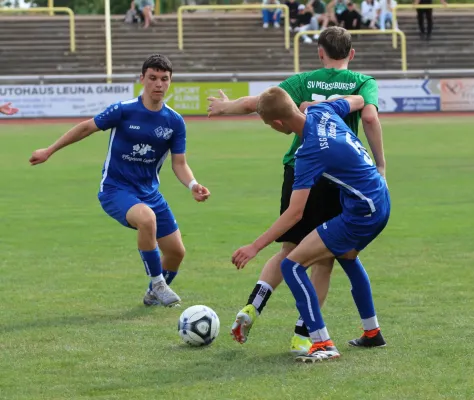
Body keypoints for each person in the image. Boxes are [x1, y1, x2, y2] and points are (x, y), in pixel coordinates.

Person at [207, 26, 386, 355]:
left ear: (319, 52)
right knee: (326, 259)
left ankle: (255, 306)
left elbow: (262, 102)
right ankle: (305, 335)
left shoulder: (304, 83)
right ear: (352, 53)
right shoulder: (360, 83)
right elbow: (370, 116)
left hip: (300, 169)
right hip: (343, 181)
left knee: (289, 249)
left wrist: (228, 106)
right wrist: (381, 164)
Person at [29, 54, 210, 306]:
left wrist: (193, 185)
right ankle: (158, 283)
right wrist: (49, 150)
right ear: (142, 79)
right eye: (153, 78)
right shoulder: (123, 110)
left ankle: (152, 294)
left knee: (176, 252)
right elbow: (85, 127)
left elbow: (179, 163)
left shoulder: (175, 122)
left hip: (149, 193)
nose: (158, 84)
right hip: (115, 190)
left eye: (164, 79)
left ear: (170, 82)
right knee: (147, 218)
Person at [232, 87, 390, 363]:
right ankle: (372, 331)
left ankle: (322, 342)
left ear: (279, 123)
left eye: (270, 125)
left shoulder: (308, 153)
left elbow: (295, 214)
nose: (272, 128)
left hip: (361, 212)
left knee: (291, 265)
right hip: (379, 199)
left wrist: (255, 246)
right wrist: (329, 101)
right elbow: (359, 100)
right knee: (347, 257)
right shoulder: (322, 110)